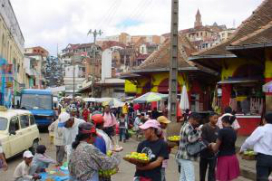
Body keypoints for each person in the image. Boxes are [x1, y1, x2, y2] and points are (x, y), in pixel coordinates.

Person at [240, 113, 272, 181]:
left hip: (262, 158)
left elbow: (249, 141)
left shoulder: (261, 129)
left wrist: (242, 149)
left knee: (262, 178)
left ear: (264, 120)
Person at [211, 115, 240, 181]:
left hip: (224, 158)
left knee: (222, 178)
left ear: (224, 122)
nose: (221, 124)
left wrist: (212, 145)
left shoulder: (222, 131)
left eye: (222, 122)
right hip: (233, 157)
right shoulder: (234, 131)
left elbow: (216, 148)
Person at [176, 112, 202, 181]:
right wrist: (199, 132)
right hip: (186, 156)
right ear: (192, 119)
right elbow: (191, 139)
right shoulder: (188, 126)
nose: (197, 123)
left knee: (183, 177)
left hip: (182, 155)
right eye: (197, 121)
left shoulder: (184, 125)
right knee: (190, 178)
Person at [200, 112, 220, 181]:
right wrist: (209, 145)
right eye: (214, 118)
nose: (216, 120)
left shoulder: (218, 129)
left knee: (212, 173)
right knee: (202, 172)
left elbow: (219, 140)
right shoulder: (205, 127)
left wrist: (216, 146)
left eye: (217, 118)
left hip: (213, 154)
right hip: (204, 153)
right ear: (210, 118)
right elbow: (202, 139)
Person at [157, 116, 171, 181]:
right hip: (160, 157)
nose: (166, 125)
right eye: (165, 123)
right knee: (161, 174)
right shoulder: (159, 131)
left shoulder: (162, 131)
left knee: (162, 173)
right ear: (160, 123)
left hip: (163, 156)